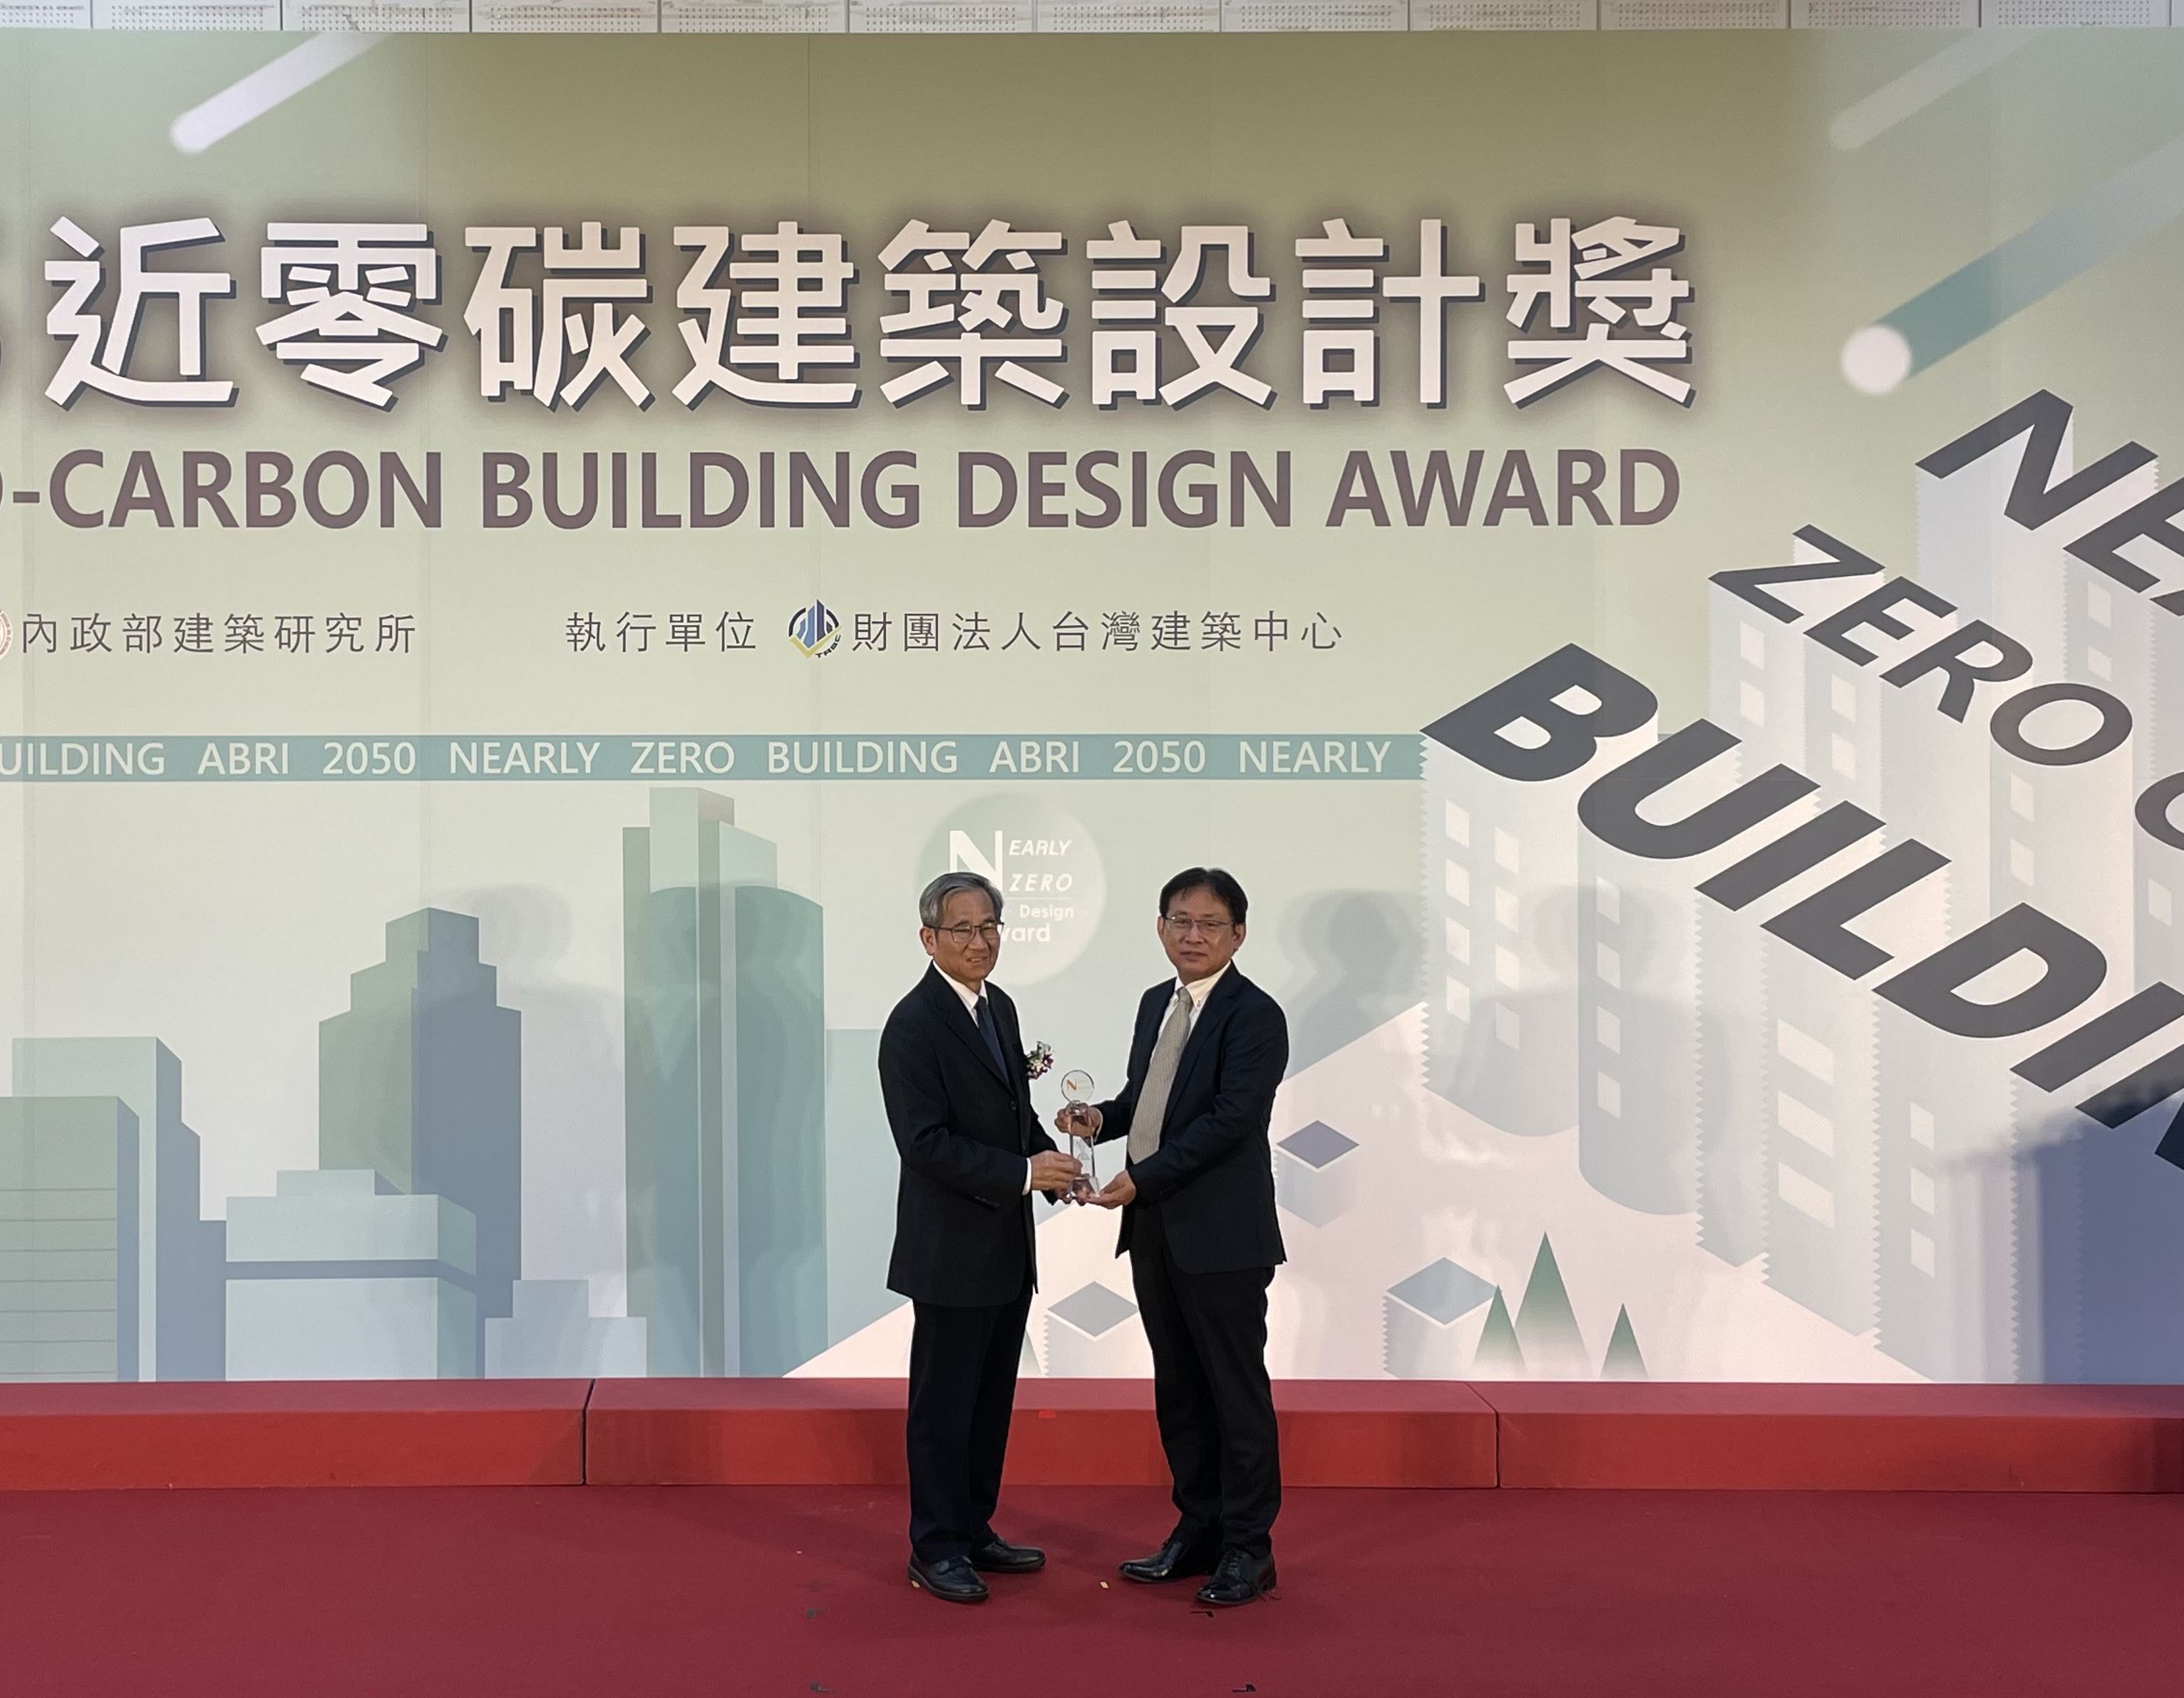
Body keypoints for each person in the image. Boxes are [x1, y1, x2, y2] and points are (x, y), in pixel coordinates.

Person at [1059, 867, 1289, 1608]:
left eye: (1210, 924)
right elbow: (1148, 1100)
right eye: (1180, 921)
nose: (1193, 935)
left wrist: (1143, 1177)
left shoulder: (1255, 1016)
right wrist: (1100, 1119)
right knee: (1181, 1391)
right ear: (1160, 928)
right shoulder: (1156, 1001)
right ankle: (1198, 1531)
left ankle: (1248, 1549)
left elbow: (1229, 1121)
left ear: (1238, 934)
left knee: (1234, 1393)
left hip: (1222, 1236)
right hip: (1155, 1229)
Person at [880, 870, 1083, 1605]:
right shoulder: (913, 1025)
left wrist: (1055, 1170)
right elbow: (924, 1144)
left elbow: (1012, 1118)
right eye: (962, 929)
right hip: (949, 1250)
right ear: (929, 938)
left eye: (990, 926)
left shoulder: (999, 1007)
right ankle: (934, 1546)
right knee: (944, 1406)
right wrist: (1023, 1174)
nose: (979, 941)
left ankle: (972, 1528)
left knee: (990, 1399)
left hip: (1006, 1246)